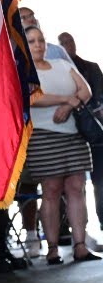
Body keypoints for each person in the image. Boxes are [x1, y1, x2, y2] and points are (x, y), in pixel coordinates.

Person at [23, 26, 101, 264]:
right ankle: (53, 248)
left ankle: (79, 246)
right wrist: (66, 98)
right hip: (44, 137)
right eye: (32, 41)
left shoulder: (63, 65)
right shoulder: (25, 71)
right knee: (51, 191)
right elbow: (32, 97)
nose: (38, 45)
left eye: (41, 40)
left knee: (77, 189)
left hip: (75, 135)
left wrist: (68, 106)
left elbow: (85, 90)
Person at [59, 31, 103, 233]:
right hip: (66, 130)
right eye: (64, 42)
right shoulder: (57, 70)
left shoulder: (91, 68)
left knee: (99, 179)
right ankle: (72, 229)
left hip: (92, 130)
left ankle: (101, 219)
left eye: (70, 40)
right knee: (70, 183)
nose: (69, 44)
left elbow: (98, 97)